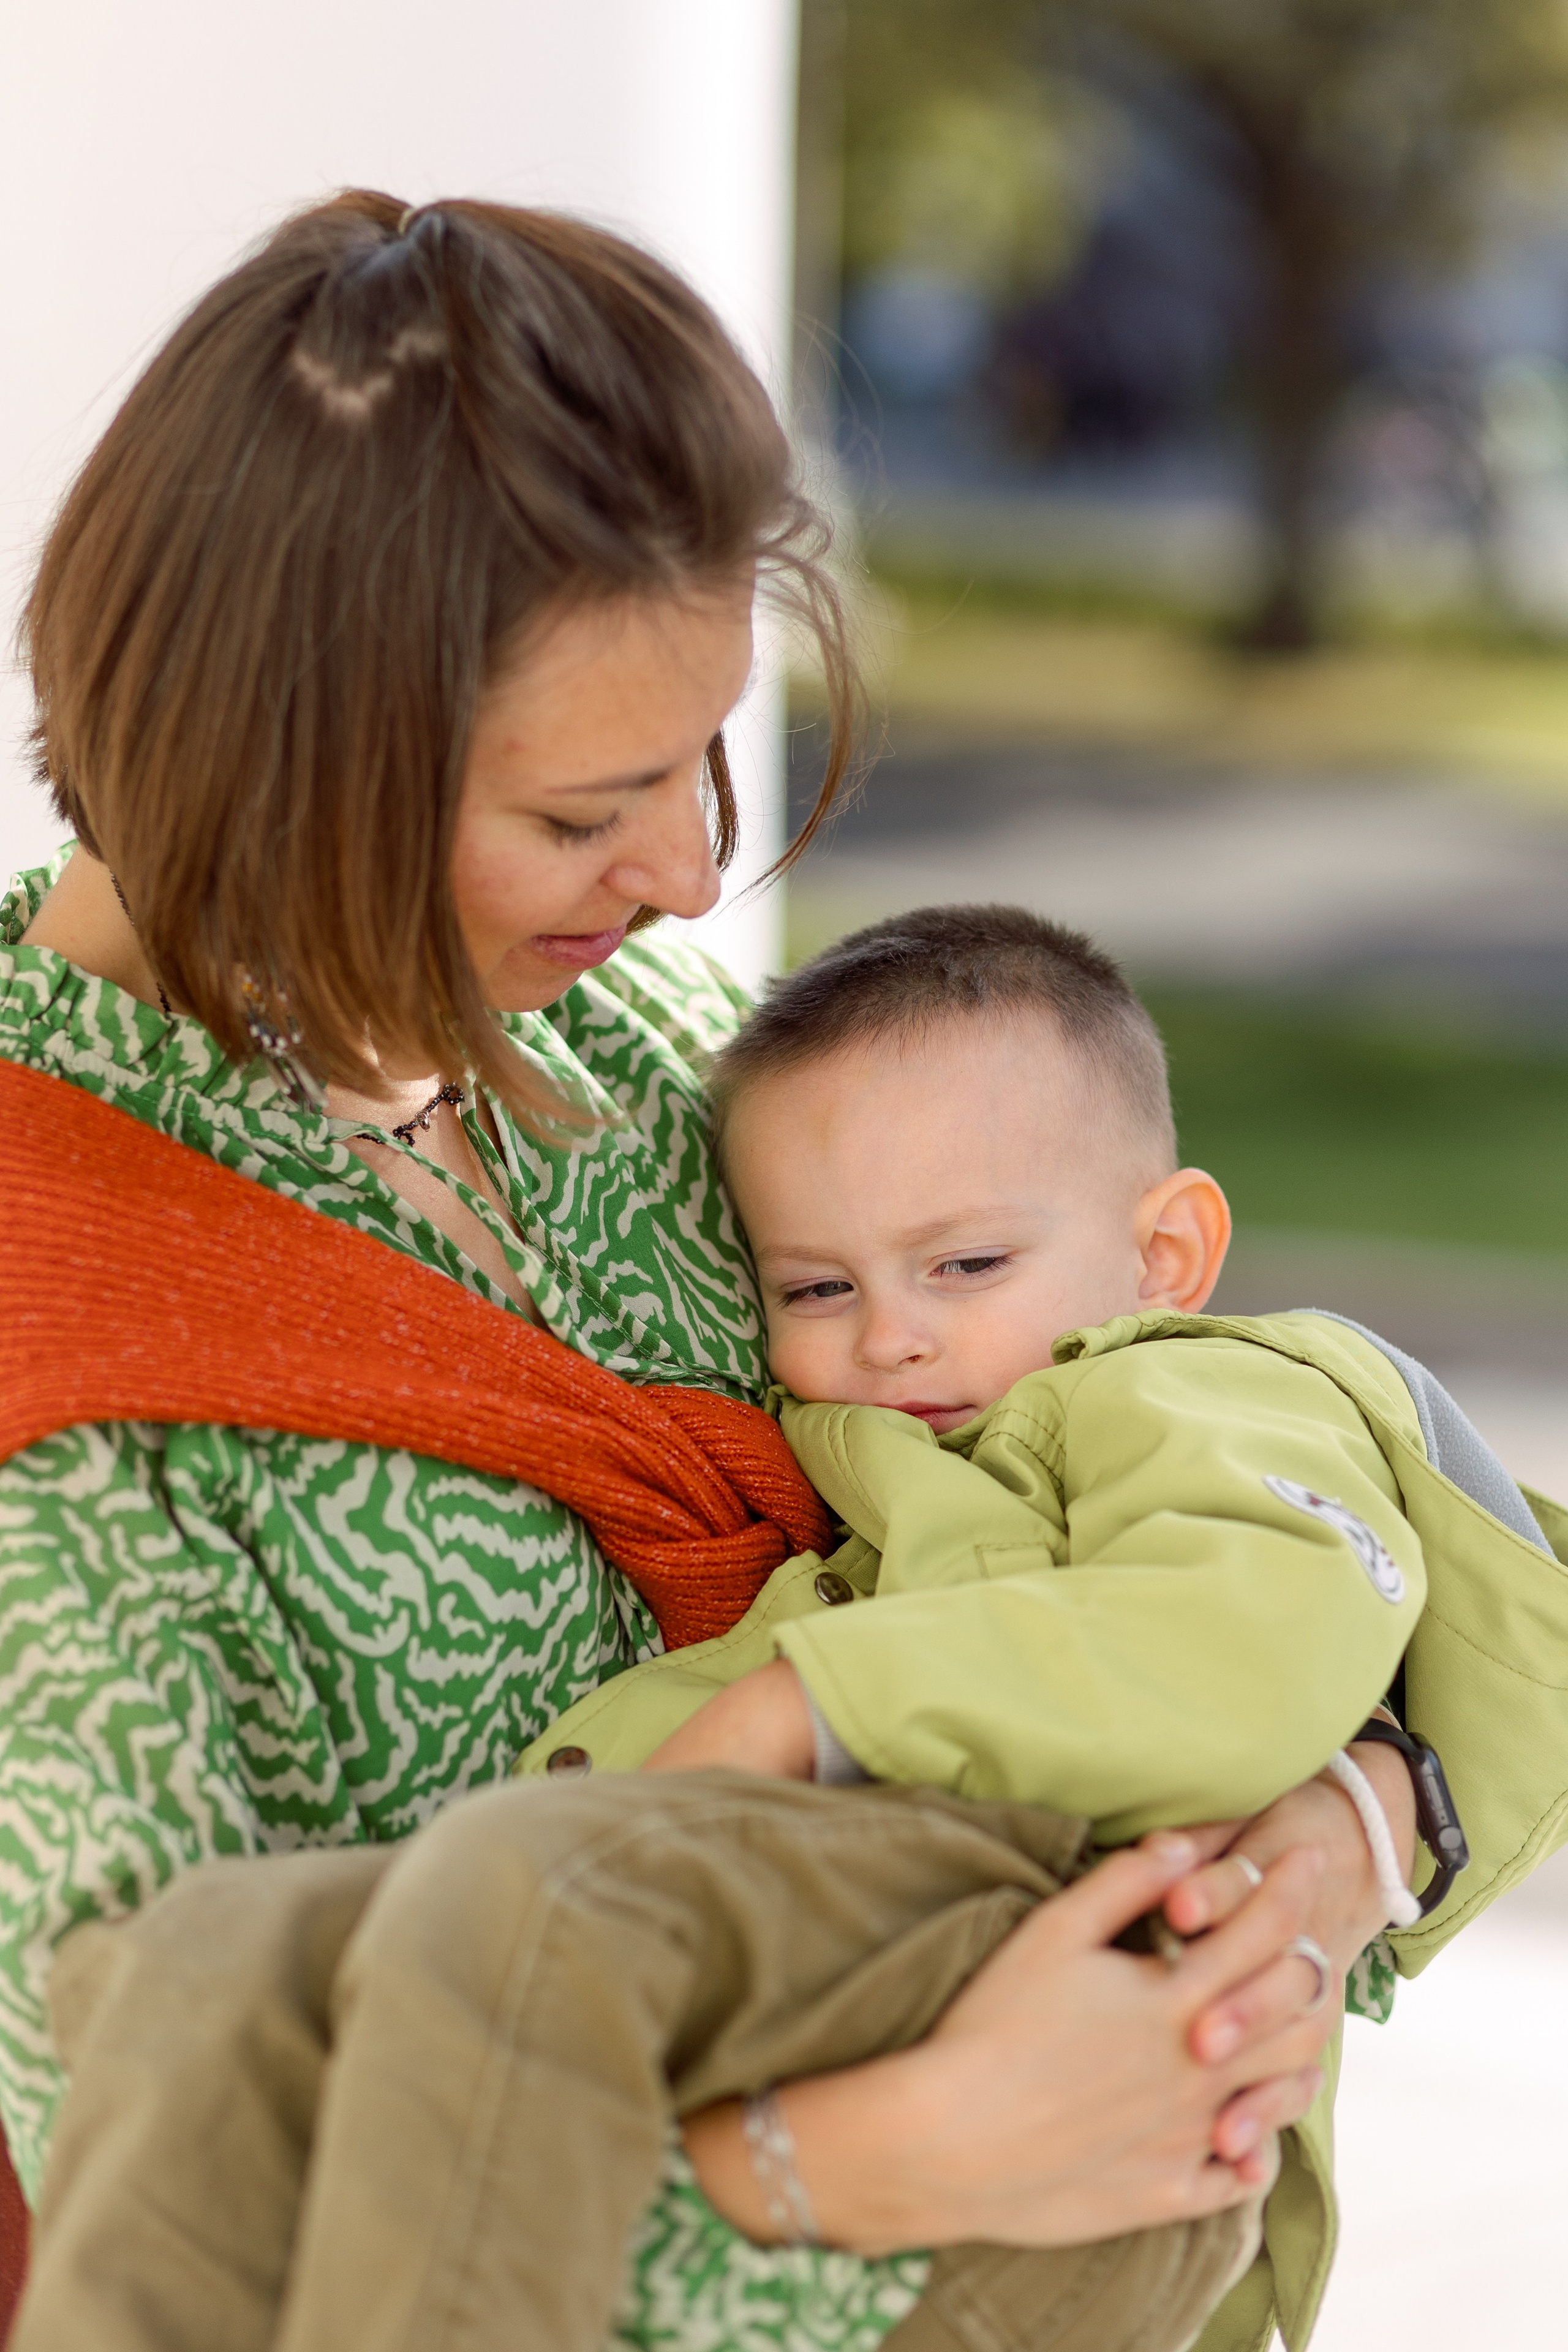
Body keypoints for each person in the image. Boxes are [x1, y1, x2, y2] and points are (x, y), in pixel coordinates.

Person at [0, 192, 1426, 2352]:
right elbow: (162, 2177)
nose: (684, 874)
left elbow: (1231, 1478)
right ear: (291, 773)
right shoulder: (47, 1268)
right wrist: (885, 2168)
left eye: (702, 757)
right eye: (585, 814)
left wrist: (1345, 1838)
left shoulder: (670, 1062)